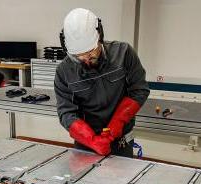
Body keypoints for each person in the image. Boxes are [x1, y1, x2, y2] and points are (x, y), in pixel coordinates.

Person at [55, 8, 150, 157]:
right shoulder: (64, 71)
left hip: (121, 140)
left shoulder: (124, 53)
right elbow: (66, 113)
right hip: (86, 144)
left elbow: (139, 90)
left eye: (91, 53)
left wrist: (115, 125)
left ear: (100, 36)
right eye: (79, 57)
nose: (86, 60)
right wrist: (92, 140)